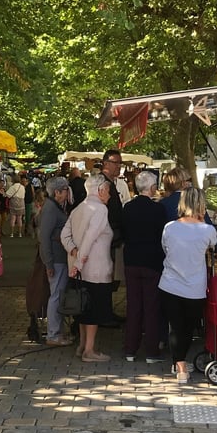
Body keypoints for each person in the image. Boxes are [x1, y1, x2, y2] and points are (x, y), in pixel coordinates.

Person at [159, 187, 217, 384]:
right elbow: (214, 246)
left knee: (175, 326)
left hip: (169, 283)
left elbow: (165, 249)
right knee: (188, 327)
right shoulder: (208, 230)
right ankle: (181, 363)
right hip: (195, 286)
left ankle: (180, 365)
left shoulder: (170, 227)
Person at [61, 173, 114, 362]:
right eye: (107, 190)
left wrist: (72, 250)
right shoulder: (100, 210)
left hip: (79, 269)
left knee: (83, 308)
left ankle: (83, 345)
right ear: (100, 191)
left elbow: (64, 234)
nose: (109, 194)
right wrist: (79, 261)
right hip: (94, 269)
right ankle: (89, 351)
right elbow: (90, 238)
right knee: (93, 309)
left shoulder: (78, 208)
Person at [122, 171, 167, 363]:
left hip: (131, 260)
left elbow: (123, 232)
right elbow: (163, 236)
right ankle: (151, 352)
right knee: (151, 307)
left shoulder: (127, 208)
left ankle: (130, 349)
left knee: (133, 306)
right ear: (152, 188)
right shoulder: (158, 209)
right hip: (152, 262)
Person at [39, 176, 72, 346]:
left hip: (60, 258)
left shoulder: (55, 206)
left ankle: (57, 331)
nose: (68, 192)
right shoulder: (51, 208)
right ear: (57, 192)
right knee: (56, 296)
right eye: (65, 189)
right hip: (56, 259)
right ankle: (53, 334)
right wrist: (49, 263)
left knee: (58, 295)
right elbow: (44, 236)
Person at [160, 166, 217, 253]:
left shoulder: (161, 204)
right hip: (195, 253)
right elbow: (207, 226)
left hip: (171, 254)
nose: (191, 183)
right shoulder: (194, 203)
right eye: (189, 180)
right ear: (183, 183)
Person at [100, 149, 130, 324]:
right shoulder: (103, 184)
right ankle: (104, 314)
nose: (119, 166)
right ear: (106, 163)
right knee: (106, 278)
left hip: (113, 238)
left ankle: (106, 312)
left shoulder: (113, 183)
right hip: (107, 239)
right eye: (116, 162)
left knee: (110, 278)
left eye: (120, 163)